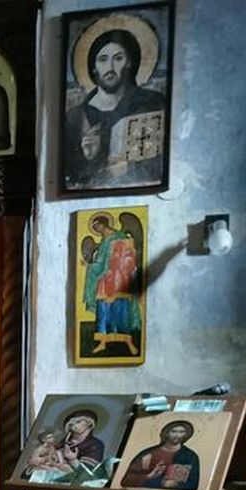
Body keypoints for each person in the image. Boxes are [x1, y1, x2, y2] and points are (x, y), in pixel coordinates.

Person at [64, 28, 166, 190]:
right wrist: (89, 157)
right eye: (103, 60)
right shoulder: (75, 117)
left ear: (129, 63)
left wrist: (125, 167)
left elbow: (159, 164)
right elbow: (71, 177)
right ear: (94, 67)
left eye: (118, 58)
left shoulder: (151, 104)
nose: (110, 68)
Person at [80, 215, 142, 356]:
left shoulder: (120, 237)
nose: (97, 230)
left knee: (121, 310)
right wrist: (92, 266)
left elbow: (129, 257)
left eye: (97, 226)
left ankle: (128, 342)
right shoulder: (104, 242)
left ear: (104, 224)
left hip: (119, 280)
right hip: (105, 281)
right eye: (95, 228)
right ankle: (102, 342)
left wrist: (93, 266)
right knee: (103, 311)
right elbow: (100, 263)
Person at [120, 420, 200, 490]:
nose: (177, 435)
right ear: (166, 433)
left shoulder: (190, 456)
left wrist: (177, 484)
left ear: (186, 435)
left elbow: (193, 484)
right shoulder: (148, 454)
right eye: (174, 431)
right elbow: (127, 480)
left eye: (181, 432)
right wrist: (148, 476)